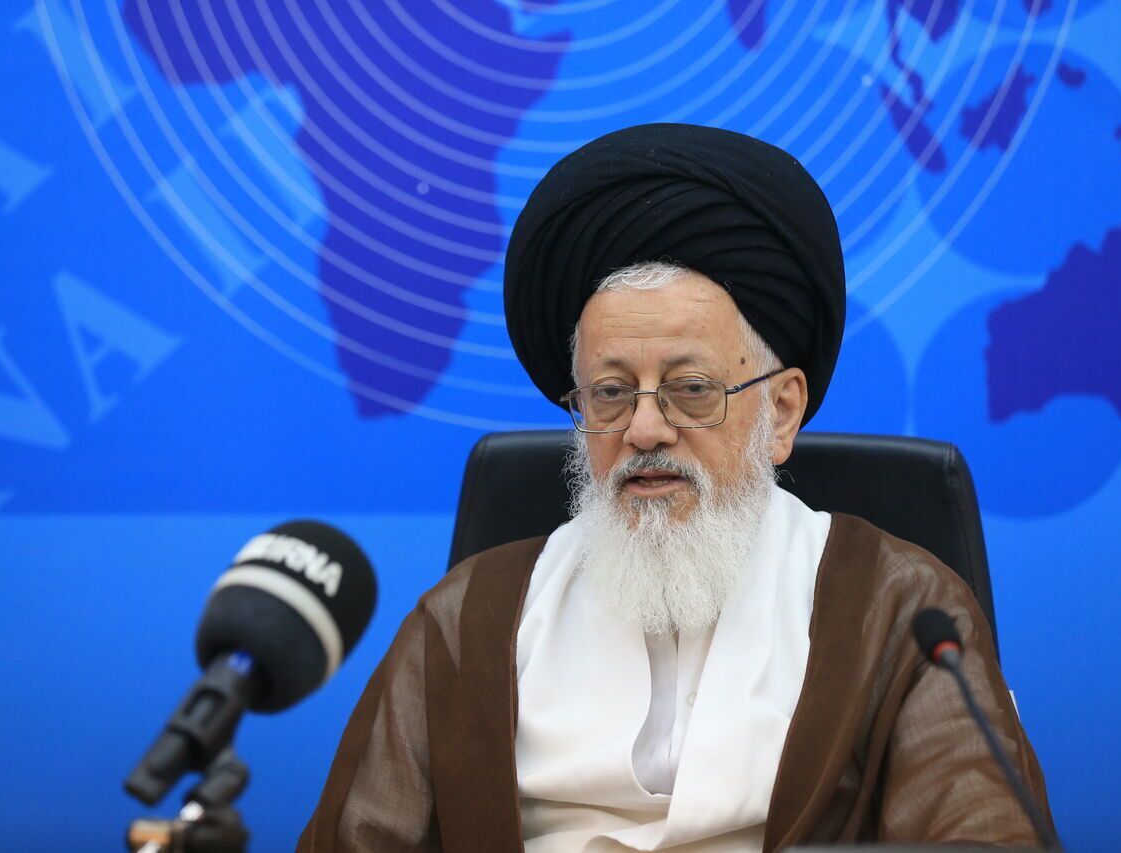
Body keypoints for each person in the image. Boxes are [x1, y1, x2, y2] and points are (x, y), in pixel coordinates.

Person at [297, 125, 1052, 851]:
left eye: (691, 389)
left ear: (781, 411)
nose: (645, 429)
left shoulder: (901, 610)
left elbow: (979, 832)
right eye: (610, 393)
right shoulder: (467, 619)